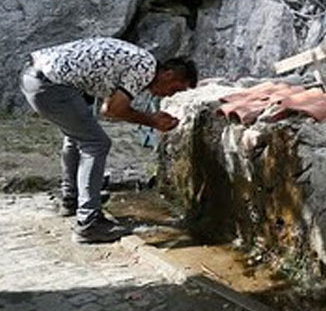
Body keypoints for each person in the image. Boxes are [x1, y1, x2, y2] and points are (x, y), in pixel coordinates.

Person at [20, 37, 197, 244]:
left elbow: (108, 108)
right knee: (96, 144)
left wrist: (148, 119)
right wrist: (152, 120)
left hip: (34, 75)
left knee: (77, 137)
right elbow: (113, 110)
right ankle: (88, 224)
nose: (169, 94)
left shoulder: (134, 60)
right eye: (174, 88)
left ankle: (72, 199)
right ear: (168, 74)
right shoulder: (145, 68)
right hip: (49, 85)